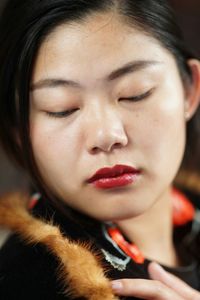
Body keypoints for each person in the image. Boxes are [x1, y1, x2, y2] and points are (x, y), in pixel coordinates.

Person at [0, 0, 200, 299]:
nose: (107, 136)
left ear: (190, 90)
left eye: (136, 93)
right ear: (18, 130)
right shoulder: (28, 280)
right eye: (61, 108)